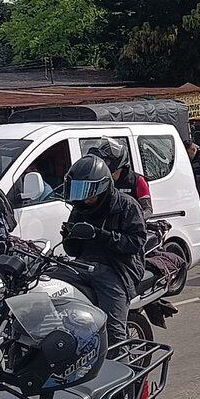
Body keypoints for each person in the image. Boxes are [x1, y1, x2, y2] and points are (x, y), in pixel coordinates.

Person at [58, 154, 146, 346]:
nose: (84, 197)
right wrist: (69, 236)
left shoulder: (126, 205)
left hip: (117, 269)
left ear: (103, 186)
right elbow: (73, 251)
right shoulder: (79, 208)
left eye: (88, 191)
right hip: (83, 266)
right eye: (79, 190)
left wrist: (101, 235)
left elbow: (135, 242)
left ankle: (127, 371)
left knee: (114, 335)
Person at [94, 140, 152, 205]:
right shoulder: (101, 179)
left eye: (107, 161)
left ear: (115, 161)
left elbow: (147, 209)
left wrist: (133, 214)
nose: (104, 163)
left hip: (130, 214)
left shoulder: (137, 180)